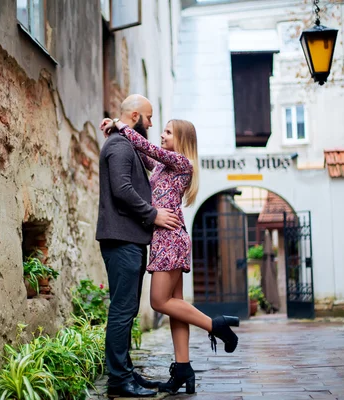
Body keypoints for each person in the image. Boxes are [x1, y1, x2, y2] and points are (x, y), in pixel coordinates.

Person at [100, 116, 241, 395]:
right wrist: (116, 133)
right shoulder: (164, 167)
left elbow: (150, 150)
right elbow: (143, 154)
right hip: (167, 238)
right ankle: (183, 369)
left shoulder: (182, 163)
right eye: (162, 130)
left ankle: (216, 324)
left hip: (170, 239)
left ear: (182, 140)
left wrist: (121, 125)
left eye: (168, 132)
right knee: (175, 305)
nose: (162, 135)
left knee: (158, 301)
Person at [96, 94, 182, 398]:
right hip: (121, 240)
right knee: (122, 310)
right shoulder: (119, 146)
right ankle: (119, 381)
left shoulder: (125, 142)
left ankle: (126, 373)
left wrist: (117, 127)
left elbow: (149, 156)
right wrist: (154, 214)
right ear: (135, 116)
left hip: (129, 239)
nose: (151, 123)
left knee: (128, 309)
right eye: (149, 117)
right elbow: (122, 190)